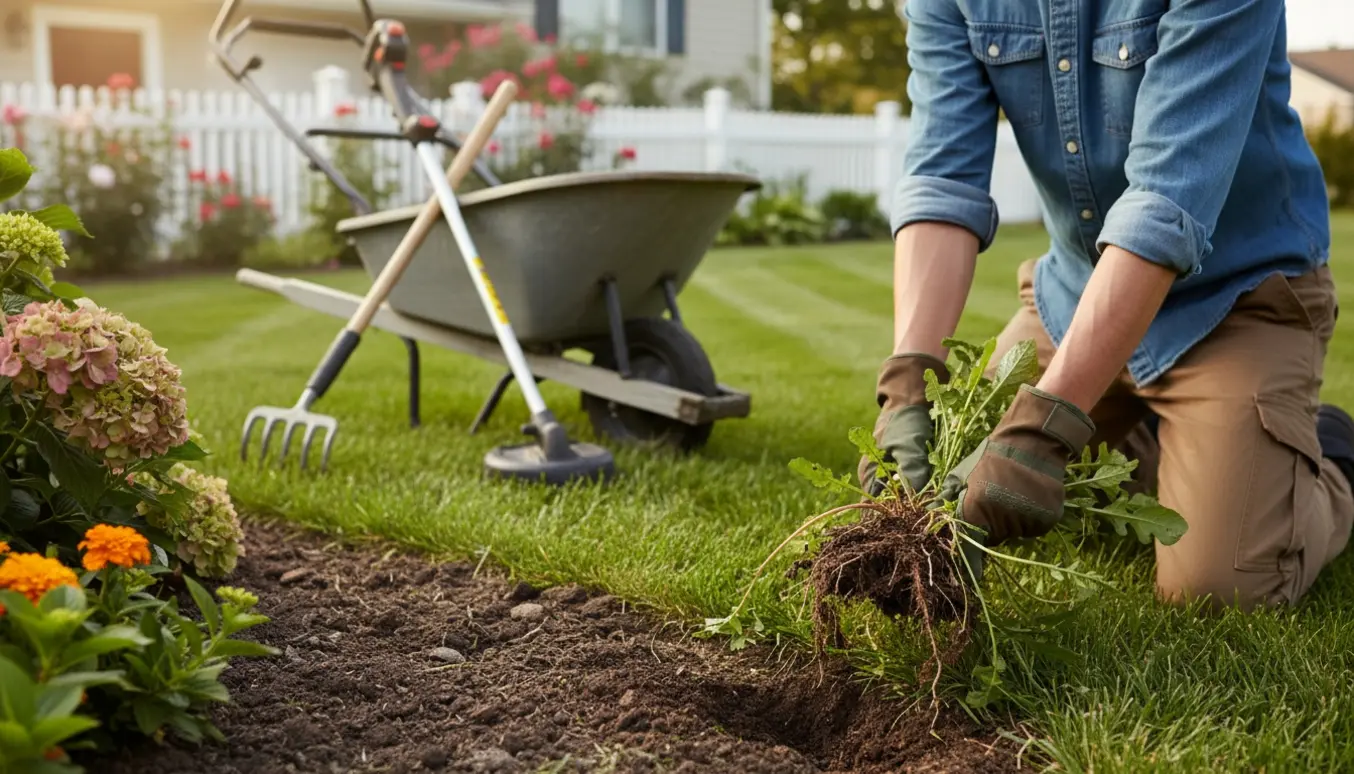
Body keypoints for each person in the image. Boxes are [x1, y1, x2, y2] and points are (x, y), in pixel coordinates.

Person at [860, 0, 1354, 612]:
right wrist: (909, 381)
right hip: (1076, 301)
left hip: (1235, 303)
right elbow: (943, 179)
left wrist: (1046, 421)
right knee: (948, 479)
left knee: (1215, 589)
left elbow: (1166, 200)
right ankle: (1157, 437)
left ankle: (1331, 460)